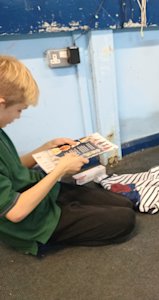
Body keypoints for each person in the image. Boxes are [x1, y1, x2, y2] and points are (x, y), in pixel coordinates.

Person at [0, 55, 136, 256]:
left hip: (40, 192)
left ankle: (70, 209)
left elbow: (12, 167)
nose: (19, 116)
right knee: (125, 220)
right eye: (19, 110)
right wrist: (59, 170)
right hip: (31, 222)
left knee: (125, 203)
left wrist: (45, 148)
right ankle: (49, 238)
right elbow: (16, 212)